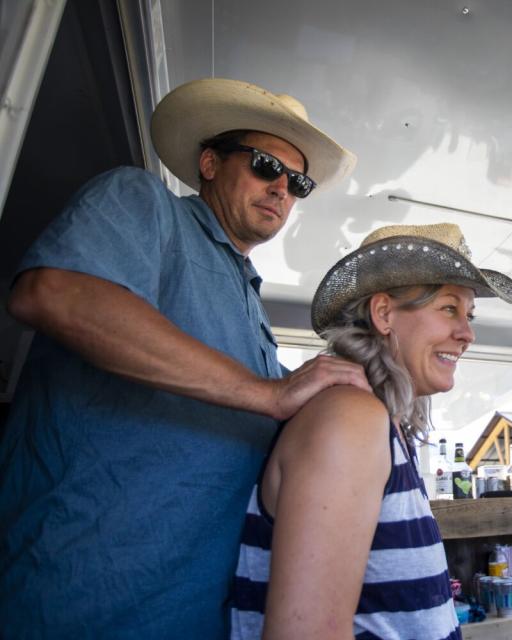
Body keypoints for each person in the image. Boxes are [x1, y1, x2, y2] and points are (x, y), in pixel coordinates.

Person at [0, 78, 371, 638]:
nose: (282, 190)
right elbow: (55, 293)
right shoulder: (143, 202)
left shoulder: (251, 303)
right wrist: (269, 393)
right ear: (209, 162)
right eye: (266, 165)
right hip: (76, 602)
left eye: (298, 182)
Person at [230, 223, 512, 639]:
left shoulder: (380, 426)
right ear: (384, 313)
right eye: (448, 308)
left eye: (469, 315)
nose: (467, 333)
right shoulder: (349, 418)